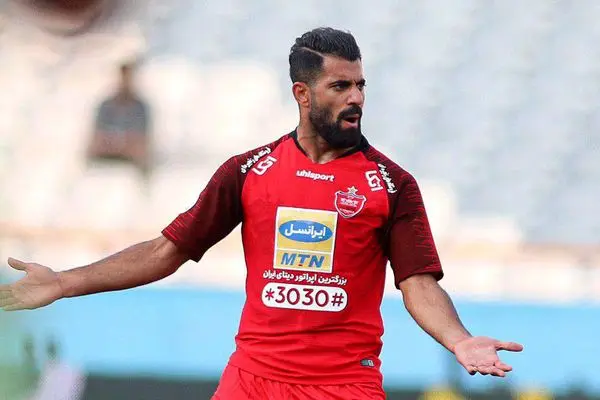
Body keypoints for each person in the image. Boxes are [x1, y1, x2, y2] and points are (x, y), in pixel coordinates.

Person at [0, 27, 523, 399]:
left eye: (361, 85)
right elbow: (165, 252)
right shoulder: (248, 171)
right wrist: (63, 282)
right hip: (253, 380)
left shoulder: (391, 184)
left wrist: (459, 340)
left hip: (343, 385)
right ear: (302, 93)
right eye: (340, 86)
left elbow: (419, 285)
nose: (356, 98)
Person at [86, 62, 151, 179]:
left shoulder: (140, 107)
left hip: (131, 153)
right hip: (107, 150)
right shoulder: (106, 105)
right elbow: (98, 132)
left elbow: (142, 136)